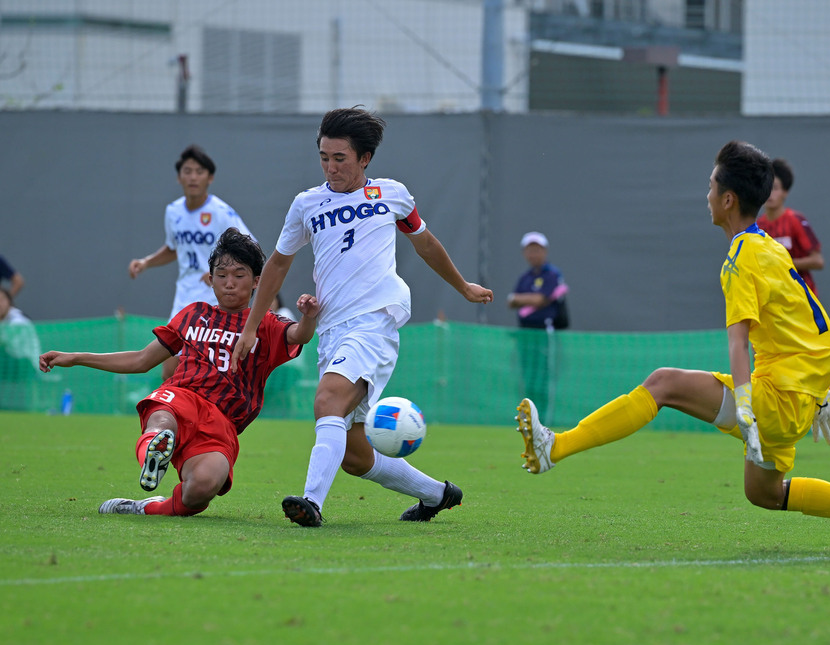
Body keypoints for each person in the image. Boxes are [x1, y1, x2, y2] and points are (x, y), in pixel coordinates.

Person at [516, 140, 830, 554]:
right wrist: (818, 395)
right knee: (764, 493)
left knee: (663, 383)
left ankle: (556, 447)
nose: (705, 195)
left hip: (775, 399)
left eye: (710, 186)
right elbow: (817, 325)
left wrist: (746, 405)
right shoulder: (770, 247)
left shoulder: (742, 256)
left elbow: (738, 340)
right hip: (791, 398)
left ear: (728, 199)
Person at [230, 106, 494, 527]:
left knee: (326, 402)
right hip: (333, 331)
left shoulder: (392, 194)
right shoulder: (306, 205)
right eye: (324, 157)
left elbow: (425, 244)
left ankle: (311, 502)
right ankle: (439, 495)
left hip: (375, 321)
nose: (330, 167)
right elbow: (277, 264)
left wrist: (462, 286)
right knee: (355, 456)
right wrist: (249, 328)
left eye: (340, 158)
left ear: (365, 158)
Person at [40, 229, 319, 517]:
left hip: (223, 422)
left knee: (202, 488)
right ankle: (154, 448)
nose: (230, 283)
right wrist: (75, 357)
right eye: (221, 275)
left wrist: (309, 316)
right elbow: (140, 359)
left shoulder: (265, 323)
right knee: (162, 417)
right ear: (210, 280)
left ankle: (147, 507)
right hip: (181, 396)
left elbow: (300, 335)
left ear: (257, 281)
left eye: (239, 275)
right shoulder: (193, 314)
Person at [128, 144, 255, 381]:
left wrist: (219, 274)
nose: (193, 177)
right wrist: (146, 262)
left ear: (210, 177)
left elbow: (249, 247)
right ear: (179, 178)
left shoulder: (220, 212)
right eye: (187, 171)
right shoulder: (173, 211)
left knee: (212, 371)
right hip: (184, 300)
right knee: (170, 370)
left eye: (199, 171)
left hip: (213, 299)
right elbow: (174, 248)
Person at [507, 231, 569, 419]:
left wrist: (521, 299)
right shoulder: (525, 278)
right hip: (525, 334)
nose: (533, 254)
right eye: (530, 250)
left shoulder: (552, 274)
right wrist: (523, 299)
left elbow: (542, 299)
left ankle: (545, 417)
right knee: (528, 376)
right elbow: (510, 301)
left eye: (537, 249)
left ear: (545, 251)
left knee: (544, 376)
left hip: (545, 334)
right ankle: (530, 417)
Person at [756, 158, 824, 296]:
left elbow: (818, 261)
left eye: (774, 188)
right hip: (774, 299)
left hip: (801, 298)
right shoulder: (757, 226)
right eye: (765, 187)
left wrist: (783, 263)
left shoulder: (795, 220)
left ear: (785, 192)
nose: (770, 193)